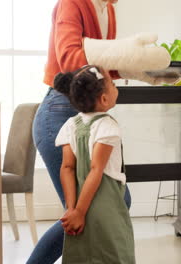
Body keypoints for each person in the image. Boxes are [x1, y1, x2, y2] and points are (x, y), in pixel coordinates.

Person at [30, 0, 178, 262]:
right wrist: (124, 51)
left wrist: (144, 72)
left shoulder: (108, 9)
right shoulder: (72, 3)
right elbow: (70, 61)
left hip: (86, 113)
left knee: (107, 202)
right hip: (60, 111)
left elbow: (98, 73)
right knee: (79, 210)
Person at [54, 65, 135, 263]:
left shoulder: (70, 125)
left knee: (83, 253)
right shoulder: (107, 126)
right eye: (113, 84)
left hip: (79, 199)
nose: (116, 87)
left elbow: (67, 168)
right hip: (105, 203)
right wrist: (81, 211)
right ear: (104, 99)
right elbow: (96, 169)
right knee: (114, 250)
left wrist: (72, 210)